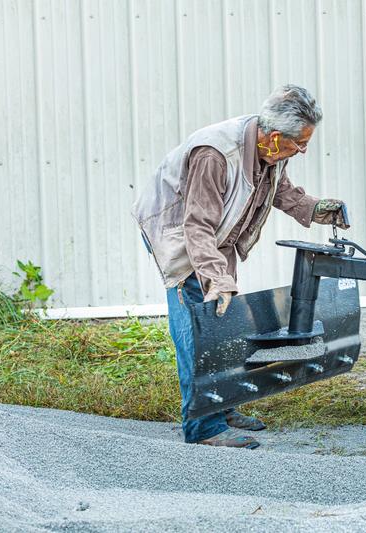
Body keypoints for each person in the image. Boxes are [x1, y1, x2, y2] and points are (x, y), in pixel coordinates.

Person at [132, 85, 349, 449]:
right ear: (276, 138)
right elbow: (197, 226)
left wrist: (314, 208)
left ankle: (224, 407)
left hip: (216, 235)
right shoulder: (215, 155)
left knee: (226, 321)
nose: (303, 150)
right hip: (180, 233)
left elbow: (280, 190)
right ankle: (204, 429)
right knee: (199, 329)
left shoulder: (269, 149)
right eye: (300, 143)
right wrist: (216, 278)